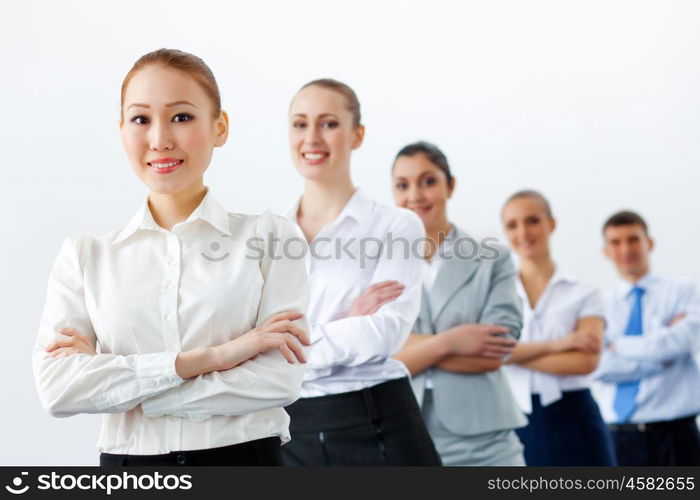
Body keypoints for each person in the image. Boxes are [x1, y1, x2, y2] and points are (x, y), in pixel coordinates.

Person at [32, 48, 311, 466]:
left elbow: (278, 380)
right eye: (141, 119)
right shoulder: (86, 257)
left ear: (220, 127)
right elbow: (58, 389)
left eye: (181, 116)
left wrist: (130, 387)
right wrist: (215, 357)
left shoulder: (269, 238)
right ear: (122, 129)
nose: (160, 139)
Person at [281, 80, 441, 466]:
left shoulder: (396, 225)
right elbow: (245, 341)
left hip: (377, 419)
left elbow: (384, 333)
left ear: (358, 134)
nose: (312, 137)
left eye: (329, 123)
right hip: (290, 429)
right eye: (300, 124)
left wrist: (286, 347)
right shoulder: (266, 234)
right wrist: (345, 324)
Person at [392, 141, 527, 466]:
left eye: (428, 181)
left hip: (485, 445)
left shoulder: (492, 259)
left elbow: (497, 349)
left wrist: (407, 349)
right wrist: (454, 341)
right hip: (404, 434)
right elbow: (372, 355)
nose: (415, 195)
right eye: (402, 185)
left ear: (450, 185)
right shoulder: (379, 263)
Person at [501, 190, 616, 465]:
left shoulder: (584, 293)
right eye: (512, 225)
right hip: (514, 419)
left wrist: (513, 355)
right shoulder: (496, 294)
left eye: (532, 221)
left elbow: (585, 361)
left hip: (575, 417)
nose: (523, 232)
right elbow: (487, 354)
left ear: (551, 224)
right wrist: (560, 344)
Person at [593, 210, 700, 466]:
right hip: (620, 438)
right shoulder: (597, 306)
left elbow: (684, 341)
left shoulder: (685, 291)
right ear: (606, 251)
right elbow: (598, 365)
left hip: (677, 436)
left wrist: (616, 345)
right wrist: (662, 354)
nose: (626, 249)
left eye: (633, 239)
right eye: (616, 242)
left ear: (648, 243)